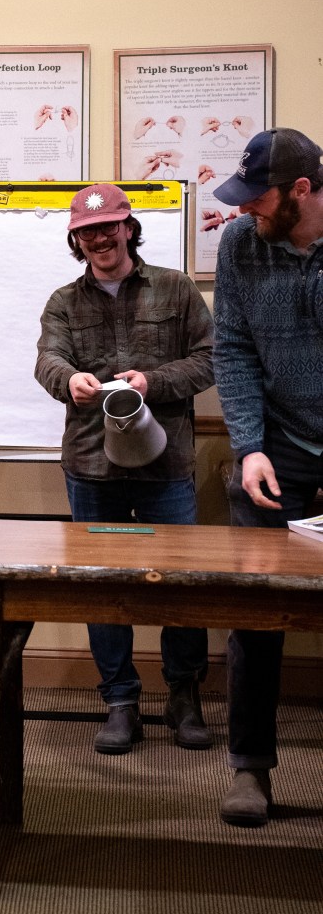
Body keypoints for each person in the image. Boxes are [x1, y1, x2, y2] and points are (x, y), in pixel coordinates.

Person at [35, 184, 215, 755]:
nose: (99, 239)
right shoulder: (63, 301)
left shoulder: (176, 288)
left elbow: (210, 357)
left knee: (180, 585)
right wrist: (69, 380)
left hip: (168, 463)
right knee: (102, 587)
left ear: (128, 228)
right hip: (91, 466)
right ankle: (119, 702)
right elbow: (47, 359)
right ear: (76, 239)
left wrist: (152, 382)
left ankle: (184, 696)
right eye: (87, 231)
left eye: (108, 227)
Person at [211, 127, 323, 826]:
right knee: (255, 611)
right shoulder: (240, 245)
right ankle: (250, 765)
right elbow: (231, 347)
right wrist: (249, 445)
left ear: (301, 191)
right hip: (276, 447)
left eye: (259, 197)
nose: (245, 208)